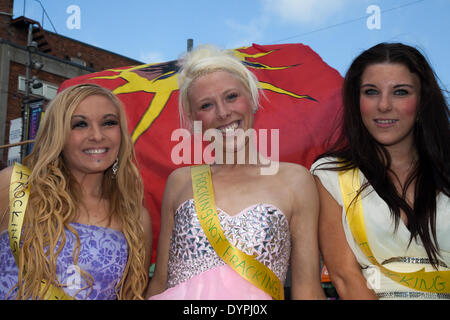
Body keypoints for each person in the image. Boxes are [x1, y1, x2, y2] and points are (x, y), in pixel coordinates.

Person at [147, 45, 324, 300]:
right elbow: (161, 282)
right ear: (194, 117)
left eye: (231, 96)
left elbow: (307, 288)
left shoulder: (296, 180)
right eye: (206, 105)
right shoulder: (180, 181)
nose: (222, 112)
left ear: (251, 99)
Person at [311, 42, 450, 299]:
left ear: (422, 102)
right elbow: (344, 275)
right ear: (357, 101)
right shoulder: (330, 175)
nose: (384, 105)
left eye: (400, 92)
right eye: (371, 91)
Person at [0, 83, 152, 300]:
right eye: (80, 124)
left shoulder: (135, 218)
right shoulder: (15, 186)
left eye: (109, 123)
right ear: (57, 133)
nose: (97, 135)